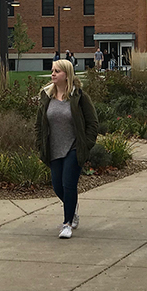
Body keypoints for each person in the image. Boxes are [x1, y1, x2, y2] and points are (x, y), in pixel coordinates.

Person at [35, 59, 98, 239]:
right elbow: (39, 124)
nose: (53, 74)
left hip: (73, 147)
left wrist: (85, 144)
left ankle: (67, 224)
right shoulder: (46, 96)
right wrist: (40, 144)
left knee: (68, 184)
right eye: (52, 70)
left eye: (58, 71)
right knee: (57, 186)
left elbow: (92, 123)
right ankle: (73, 208)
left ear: (67, 75)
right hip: (53, 148)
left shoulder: (79, 97)